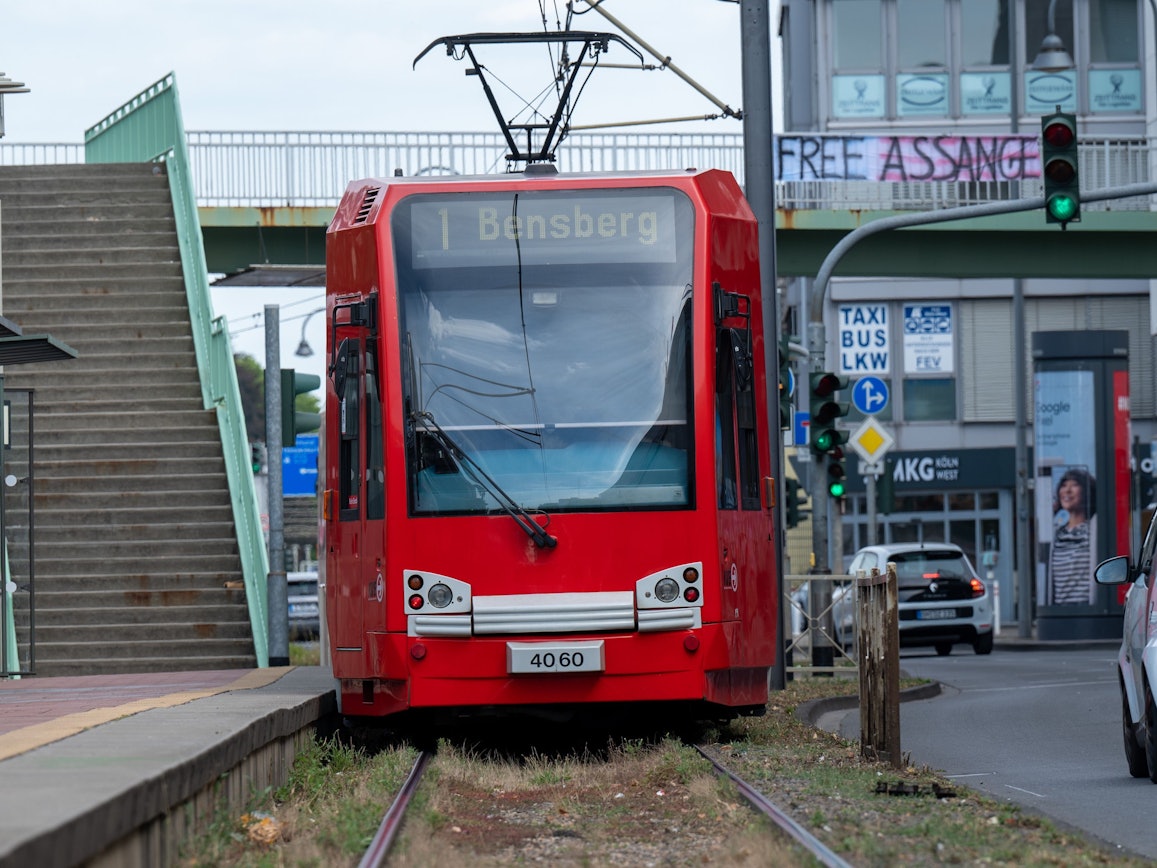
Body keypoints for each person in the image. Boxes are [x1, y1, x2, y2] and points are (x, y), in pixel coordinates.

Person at [1049, 467, 1096, 605]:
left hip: (1086, 612)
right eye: (1063, 485)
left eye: (1074, 485)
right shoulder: (1057, 535)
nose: (1067, 490)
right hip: (1061, 613)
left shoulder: (1093, 531)